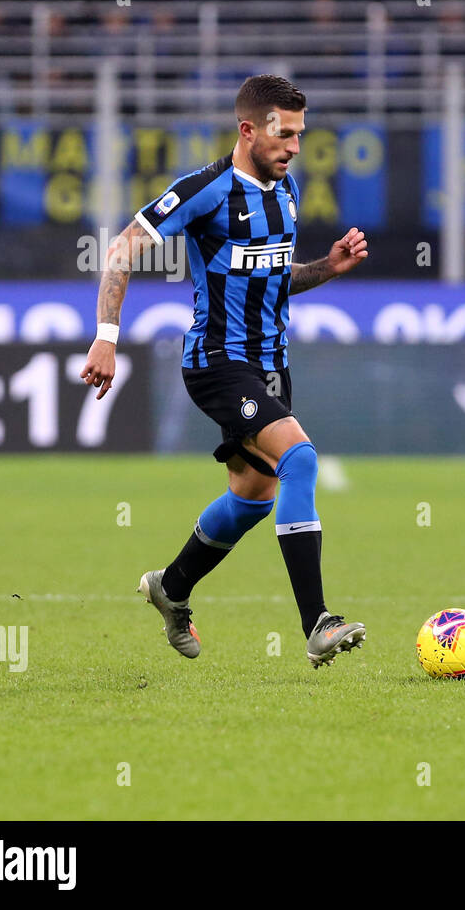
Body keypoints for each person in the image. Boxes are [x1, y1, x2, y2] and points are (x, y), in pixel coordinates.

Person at [80, 75, 370, 669]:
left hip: (270, 368)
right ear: (247, 130)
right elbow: (121, 250)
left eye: (299, 135)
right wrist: (107, 337)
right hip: (216, 363)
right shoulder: (205, 190)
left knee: (253, 496)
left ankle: (172, 587)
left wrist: (327, 268)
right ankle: (317, 623)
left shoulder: (285, 192)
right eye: (283, 134)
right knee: (301, 459)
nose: (294, 147)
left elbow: (272, 277)